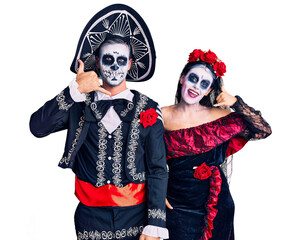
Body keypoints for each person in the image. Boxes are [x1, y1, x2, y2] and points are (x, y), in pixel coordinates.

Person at [30, 4, 168, 240]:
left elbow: (157, 168)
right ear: (97, 61)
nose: (115, 67)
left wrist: (155, 223)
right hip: (89, 217)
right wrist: (73, 91)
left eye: (121, 60)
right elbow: (37, 127)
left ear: (130, 63)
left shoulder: (149, 108)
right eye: (108, 59)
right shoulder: (78, 102)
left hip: (137, 217)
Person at [162, 49, 272, 240]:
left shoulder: (221, 117)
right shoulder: (161, 115)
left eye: (204, 84)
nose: (196, 86)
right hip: (177, 203)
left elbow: (263, 130)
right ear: (182, 79)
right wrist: (154, 191)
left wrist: (236, 102)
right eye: (193, 78)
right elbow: (139, 153)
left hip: (216, 202)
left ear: (209, 90)